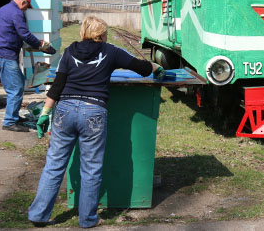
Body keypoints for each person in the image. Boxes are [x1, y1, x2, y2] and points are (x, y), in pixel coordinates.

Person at [28, 16, 164, 228]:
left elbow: (58, 85)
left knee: (54, 165)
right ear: (101, 35)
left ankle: (38, 215)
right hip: (93, 111)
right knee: (91, 168)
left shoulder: (69, 51)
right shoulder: (111, 51)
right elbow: (141, 67)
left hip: (65, 110)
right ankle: (88, 219)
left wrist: (45, 112)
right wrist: (156, 67)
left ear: (83, 32)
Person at [0, 0, 48, 132]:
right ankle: (9, 122)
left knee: (19, 83)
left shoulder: (4, 10)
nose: (25, 10)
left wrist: (25, 44)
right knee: (15, 89)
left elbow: (11, 33)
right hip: (5, 56)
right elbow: (24, 34)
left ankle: (13, 116)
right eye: (26, 7)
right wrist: (40, 45)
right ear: (23, 3)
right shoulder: (16, 13)